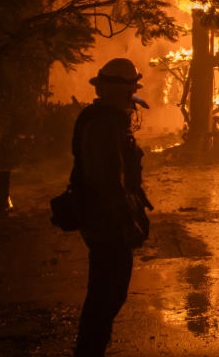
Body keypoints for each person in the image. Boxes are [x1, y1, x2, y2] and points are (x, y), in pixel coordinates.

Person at [72, 57, 153, 357]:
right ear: (117, 89)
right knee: (106, 296)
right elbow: (107, 179)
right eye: (130, 89)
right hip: (107, 223)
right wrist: (124, 220)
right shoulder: (104, 124)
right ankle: (89, 351)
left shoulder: (109, 121)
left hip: (106, 219)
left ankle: (91, 349)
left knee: (108, 295)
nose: (132, 95)